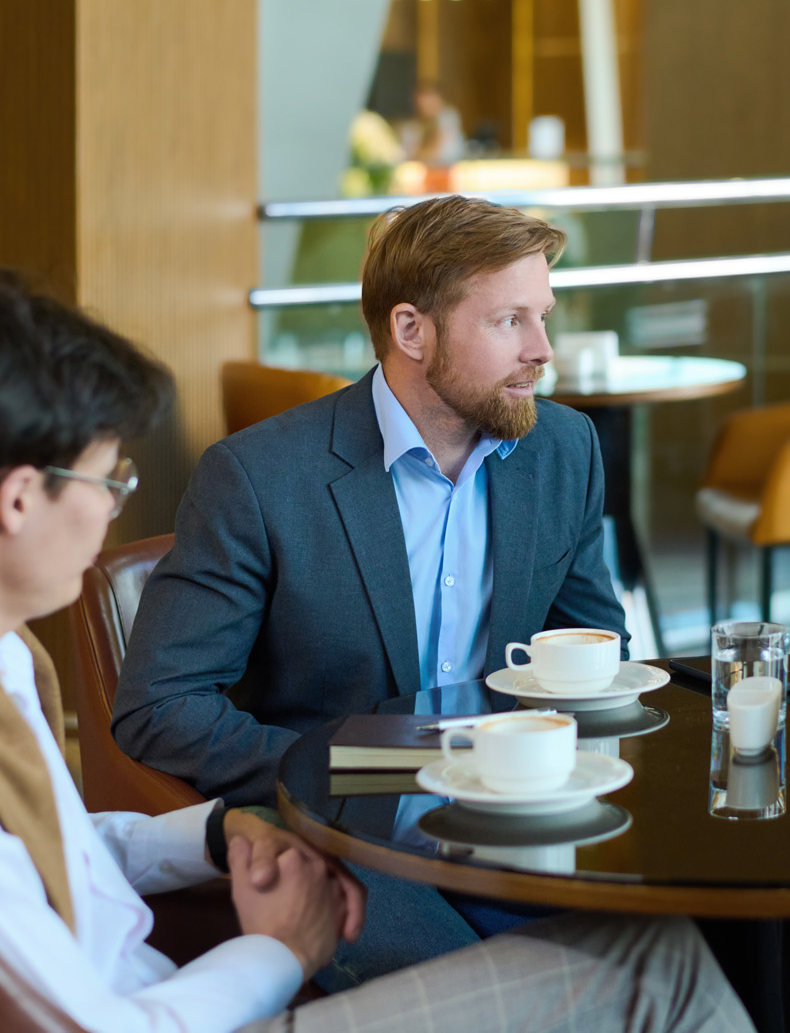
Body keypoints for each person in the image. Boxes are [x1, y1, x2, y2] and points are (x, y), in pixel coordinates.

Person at [0, 280, 753, 1033]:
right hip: (178, 1007)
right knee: (653, 965)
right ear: (19, 496)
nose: (113, 510)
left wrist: (215, 833)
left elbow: (46, 852)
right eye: (107, 480)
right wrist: (284, 943)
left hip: (182, 958)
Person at [113, 196, 627, 808]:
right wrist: (376, 768)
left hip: (520, 810)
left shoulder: (563, 450)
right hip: (345, 831)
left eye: (543, 316)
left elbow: (592, 649)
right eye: (509, 320)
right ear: (411, 331)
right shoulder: (257, 477)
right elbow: (162, 707)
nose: (542, 350)